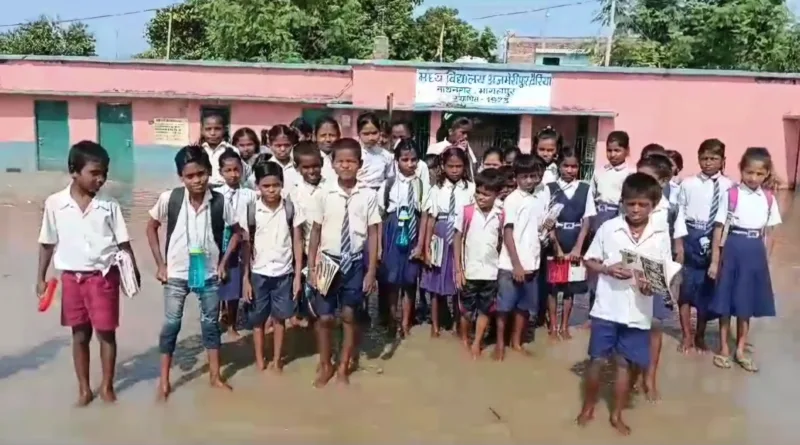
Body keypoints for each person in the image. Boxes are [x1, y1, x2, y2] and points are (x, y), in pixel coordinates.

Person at [577, 173, 681, 435]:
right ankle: (588, 406)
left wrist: (651, 284)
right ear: (622, 202)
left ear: (654, 205)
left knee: (625, 365)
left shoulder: (660, 235)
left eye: (642, 205)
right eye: (631, 203)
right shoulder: (609, 228)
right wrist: (607, 269)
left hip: (638, 312)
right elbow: (589, 261)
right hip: (606, 308)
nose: (636, 209)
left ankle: (616, 414)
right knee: (597, 361)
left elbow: (663, 274)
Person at [37, 141, 138, 406]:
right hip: (71, 278)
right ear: (74, 171)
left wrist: (133, 270)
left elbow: (123, 242)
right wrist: (40, 277)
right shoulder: (55, 204)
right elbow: (47, 242)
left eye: (104, 172)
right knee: (79, 334)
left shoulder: (110, 205)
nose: (100, 178)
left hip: (104, 277)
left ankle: (107, 386)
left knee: (106, 333)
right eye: (94, 173)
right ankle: (84, 388)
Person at [146, 145, 243, 400]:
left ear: (209, 173)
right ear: (181, 177)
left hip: (207, 271)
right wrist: (160, 264)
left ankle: (214, 376)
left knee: (210, 325)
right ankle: (164, 381)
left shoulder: (220, 201)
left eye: (201, 174)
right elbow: (151, 227)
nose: (196, 180)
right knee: (171, 325)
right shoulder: (171, 199)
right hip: (176, 273)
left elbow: (237, 232)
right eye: (190, 176)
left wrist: (223, 265)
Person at [307, 138, 380, 387]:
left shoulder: (368, 195)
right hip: (328, 262)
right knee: (325, 317)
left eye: (351, 161)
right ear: (333, 164)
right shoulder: (323, 193)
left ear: (359, 164)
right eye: (341, 161)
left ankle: (343, 366)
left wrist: (371, 271)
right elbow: (315, 232)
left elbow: (373, 233)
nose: (346, 165)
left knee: (350, 315)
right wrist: (312, 267)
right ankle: (325, 363)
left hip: (356, 263)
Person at [708, 147, 780, 373]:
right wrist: (714, 260)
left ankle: (740, 349)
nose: (753, 178)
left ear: (766, 174)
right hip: (733, 248)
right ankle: (723, 348)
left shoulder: (768, 198)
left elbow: (771, 232)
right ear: (741, 170)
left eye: (759, 174)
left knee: (745, 303)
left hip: (755, 251)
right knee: (725, 301)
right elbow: (719, 228)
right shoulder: (731, 194)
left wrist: (766, 259)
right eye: (749, 172)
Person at [242, 161, 304, 373]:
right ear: (257, 186)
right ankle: (260, 359)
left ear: (282, 184)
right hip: (258, 274)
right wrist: (246, 279)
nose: (271, 190)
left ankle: (277, 359)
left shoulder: (290, 208)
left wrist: (297, 277)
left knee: (280, 319)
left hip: (284, 273)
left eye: (276, 185)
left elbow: (298, 242)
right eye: (266, 186)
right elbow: (246, 246)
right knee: (257, 321)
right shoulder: (252, 210)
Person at [635, 153, 687, 400]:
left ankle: (650, 378)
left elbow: (678, 249)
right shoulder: (629, 203)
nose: (640, 182)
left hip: (658, 272)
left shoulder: (672, 209)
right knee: (632, 326)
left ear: (664, 181)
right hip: (632, 268)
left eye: (648, 178)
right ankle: (632, 373)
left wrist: (673, 284)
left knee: (654, 328)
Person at [676, 138, 732, 354]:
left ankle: (700, 335)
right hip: (691, 235)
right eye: (704, 158)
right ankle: (686, 335)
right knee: (685, 291)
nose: (708, 163)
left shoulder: (729, 187)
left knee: (706, 293)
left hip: (716, 239)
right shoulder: (688, 184)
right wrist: (679, 243)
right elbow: (679, 214)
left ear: (723, 160)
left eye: (713, 158)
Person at [496, 154, 551, 360]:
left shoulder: (537, 199)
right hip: (511, 264)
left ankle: (516, 342)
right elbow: (508, 233)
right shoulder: (512, 200)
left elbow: (535, 229)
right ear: (516, 176)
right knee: (504, 307)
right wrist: (516, 264)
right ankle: (501, 344)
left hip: (533, 262)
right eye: (525, 176)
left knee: (524, 308)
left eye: (533, 176)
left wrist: (547, 228)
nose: (529, 180)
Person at [421, 147, 475, 337]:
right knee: (435, 284)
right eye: (450, 166)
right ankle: (435, 326)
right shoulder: (436, 189)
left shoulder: (471, 188)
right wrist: (426, 248)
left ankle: (456, 324)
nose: (454, 170)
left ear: (464, 166)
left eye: (459, 166)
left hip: (461, 235)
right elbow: (430, 220)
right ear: (443, 166)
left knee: (458, 283)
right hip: (440, 235)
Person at [377, 139, 428, 339]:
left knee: (409, 281)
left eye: (414, 159)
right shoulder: (388, 184)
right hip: (392, 232)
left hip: (413, 232)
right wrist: (380, 247)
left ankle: (407, 322)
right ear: (397, 160)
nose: (410, 164)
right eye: (405, 159)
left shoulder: (422, 185)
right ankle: (392, 320)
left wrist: (421, 245)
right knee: (391, 281)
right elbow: (379, 216)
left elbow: (424, 215)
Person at [453, 169, 504, 359]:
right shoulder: (467, 210)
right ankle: (466, 338)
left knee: (485, 310)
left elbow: (501, 242)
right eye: (479, 192)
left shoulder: (501, 213)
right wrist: (458, 269)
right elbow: (457, 238)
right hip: (469, 271)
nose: (481, 197)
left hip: (490, 272)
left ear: (496, 195)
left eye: (486, 194)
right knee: (466, 311)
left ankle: (477, 342)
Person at [546, 148, 596, 340]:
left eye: (574, 166)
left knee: (570, 287)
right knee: (553, 286)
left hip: (575, 238)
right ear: (559, 166)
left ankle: (565, 325)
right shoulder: (550, 188)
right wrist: (555, 245)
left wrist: (578, 247)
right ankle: (552, 325)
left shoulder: (584, 188)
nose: (570, 170)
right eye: (566, 166)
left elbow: (587, 220)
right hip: (555, 239)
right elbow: (547, 220)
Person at [215, 149, 259, 339]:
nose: (233, 174)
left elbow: (252, 222)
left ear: (242, 170)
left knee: (233, 285)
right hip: (219, 241)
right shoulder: (215, 194)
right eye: (228, 170)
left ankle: (232, 324)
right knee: (215, 282)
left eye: (236, 170)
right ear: (221, 172)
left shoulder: (249, 195)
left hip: (241, 240)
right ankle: (215, 319)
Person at [289, 141, 327, 324]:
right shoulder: (294, 192)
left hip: (326, 250)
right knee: (304, 290)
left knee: (324, 294)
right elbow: (294, 227)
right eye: (306, 167)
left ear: (322, 164)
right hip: (302, 249)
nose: (312, 171)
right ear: (297, 168)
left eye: (316, 166)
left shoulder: (330, 188)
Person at [200, 113, 236, 188]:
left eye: (217, 129)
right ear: (202, 131)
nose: (212, 133)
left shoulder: (232, 150)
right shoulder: (198, 151)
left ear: (224, 130)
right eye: (208, 129)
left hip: (226, 190)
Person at [267, 124, 301, 190]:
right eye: (278, 146)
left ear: (293, 144)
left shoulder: (299, 166)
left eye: (287, 145)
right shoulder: (266, 167)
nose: (283, 149)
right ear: (270, 145)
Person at [315, 116, 341, 182]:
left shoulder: (343, 158)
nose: (328, 139)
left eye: (332, 135)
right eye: (323, 135)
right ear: (315, 136)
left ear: (339, 136)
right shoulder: (310, 158)